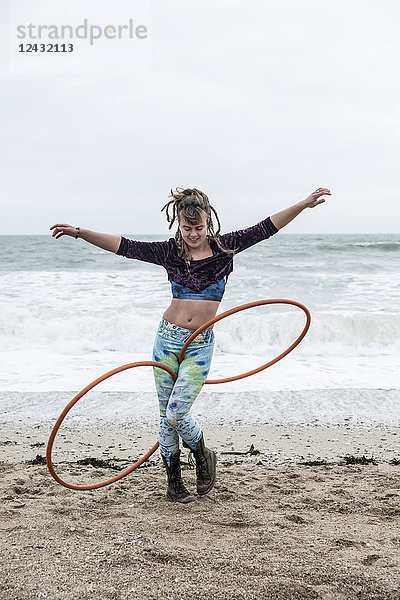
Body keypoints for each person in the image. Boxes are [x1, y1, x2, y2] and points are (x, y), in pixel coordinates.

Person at [50, 186, 331, 503]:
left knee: (177, 412)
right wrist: (79, 232)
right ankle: (174, 483)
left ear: (208, 222)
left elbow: (267, 227)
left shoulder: (226, 248)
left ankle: (202, 453)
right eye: (187, 228)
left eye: (198, 228)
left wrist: (304, 204)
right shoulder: (169, 252)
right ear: (178, 226)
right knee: (164, 416)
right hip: (167, 340)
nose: (193, 234)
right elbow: (123, 246)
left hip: (200, 344)